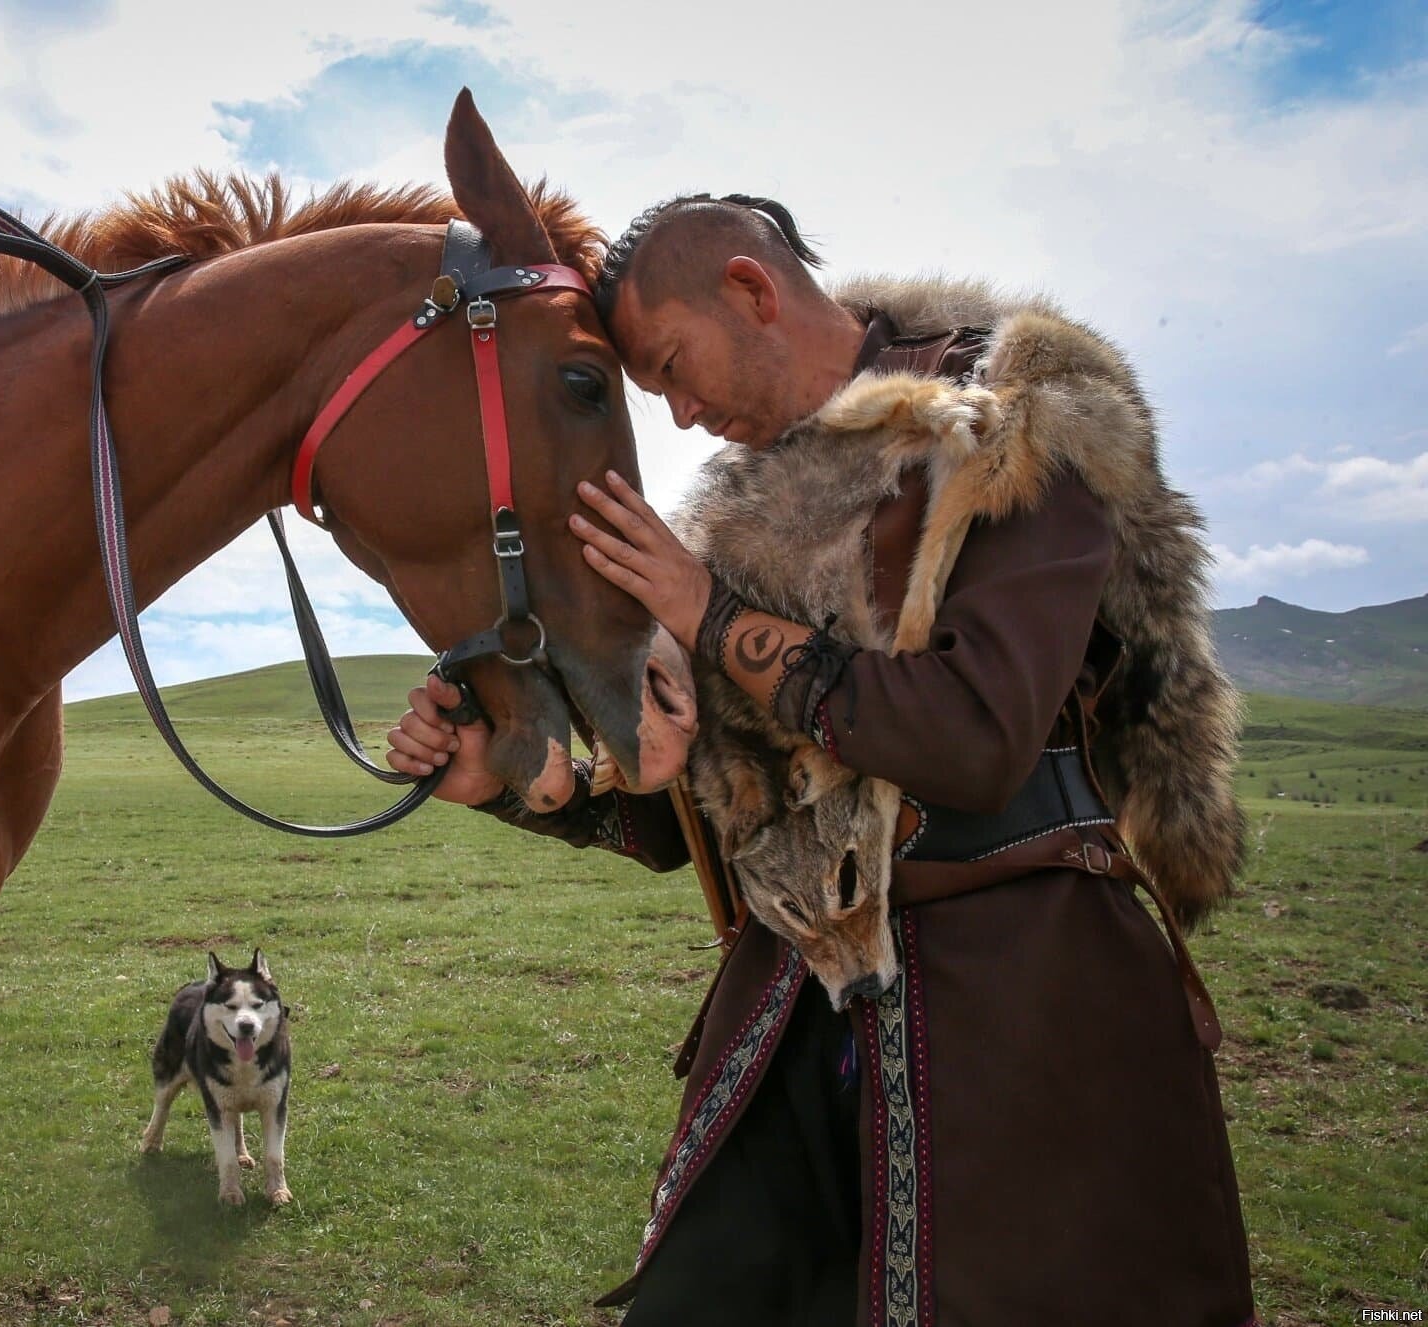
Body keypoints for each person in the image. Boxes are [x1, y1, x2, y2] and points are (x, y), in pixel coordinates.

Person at [386, 194, 1254, 1326]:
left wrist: (705, 614)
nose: (684, 418)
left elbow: (974, 739)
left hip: (1028, 1013)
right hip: (792, 1013)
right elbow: (708, 813)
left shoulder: (1011, 416)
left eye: (675, 369)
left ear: (749, 290)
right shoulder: (735, 524)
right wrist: (520, 784)